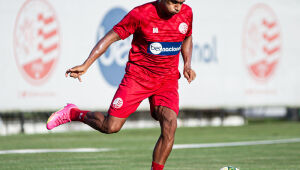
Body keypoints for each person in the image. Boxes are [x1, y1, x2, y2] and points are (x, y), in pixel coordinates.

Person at [46, 0, 196, 169]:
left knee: (170, 123)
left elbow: (187, 37)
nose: (178, 7)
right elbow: (110, 38)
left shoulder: (186, 13)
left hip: (166, 80)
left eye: (182, 2)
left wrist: (187, 64)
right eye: (174, 2)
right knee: (110, 126)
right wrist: (86, 64)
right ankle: (73, 113)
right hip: (138, 78)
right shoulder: (141, 14)